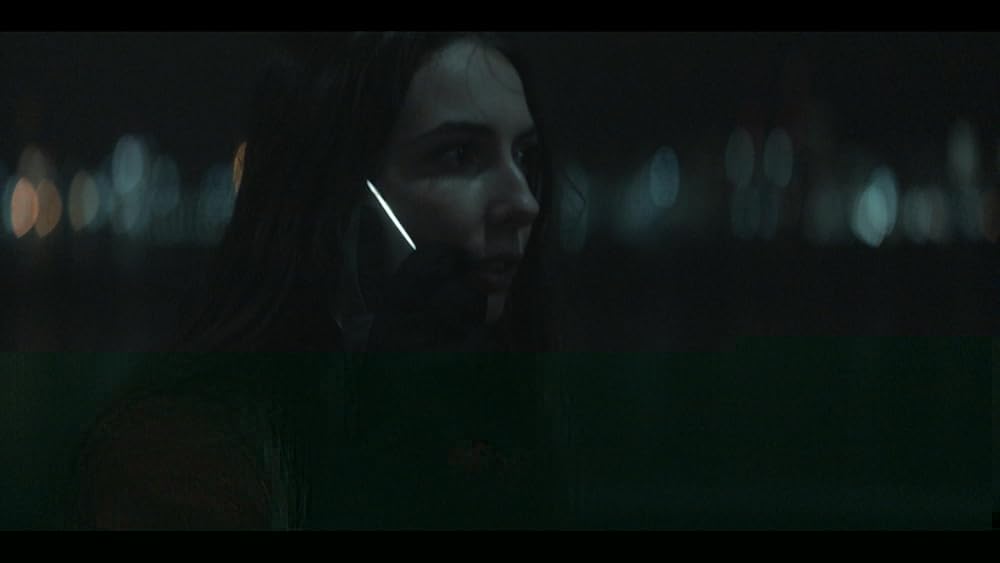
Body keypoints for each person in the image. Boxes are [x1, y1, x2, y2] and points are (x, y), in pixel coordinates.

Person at [72, 32, 573, 530]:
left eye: (524, 157)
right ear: (344, 196)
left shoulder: (502, 407)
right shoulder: (183, 453)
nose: (523, 202)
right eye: (459, 155)